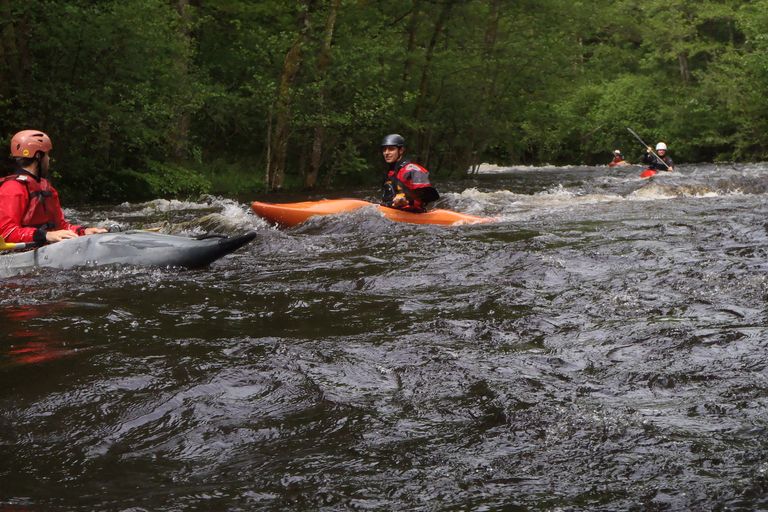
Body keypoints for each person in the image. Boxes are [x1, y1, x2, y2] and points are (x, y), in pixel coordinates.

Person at [0, 129, 107, 245]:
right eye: (47, 155)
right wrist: (46, 235)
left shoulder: (48, 189)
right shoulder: (12, 188)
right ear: (38, 156)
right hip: (20, 254)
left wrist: (83, 231)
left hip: (45, 249)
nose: (49, 159)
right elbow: (6, 233)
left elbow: (60, 227)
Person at [380, 133, 439, 212]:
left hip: (413, 214)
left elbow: (427, 197)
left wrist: (406, 201)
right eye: (384, 149)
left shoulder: (412, 170)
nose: (386, 153)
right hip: (393, 211)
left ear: (401, 150)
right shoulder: (390, 172)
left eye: (391, 149)